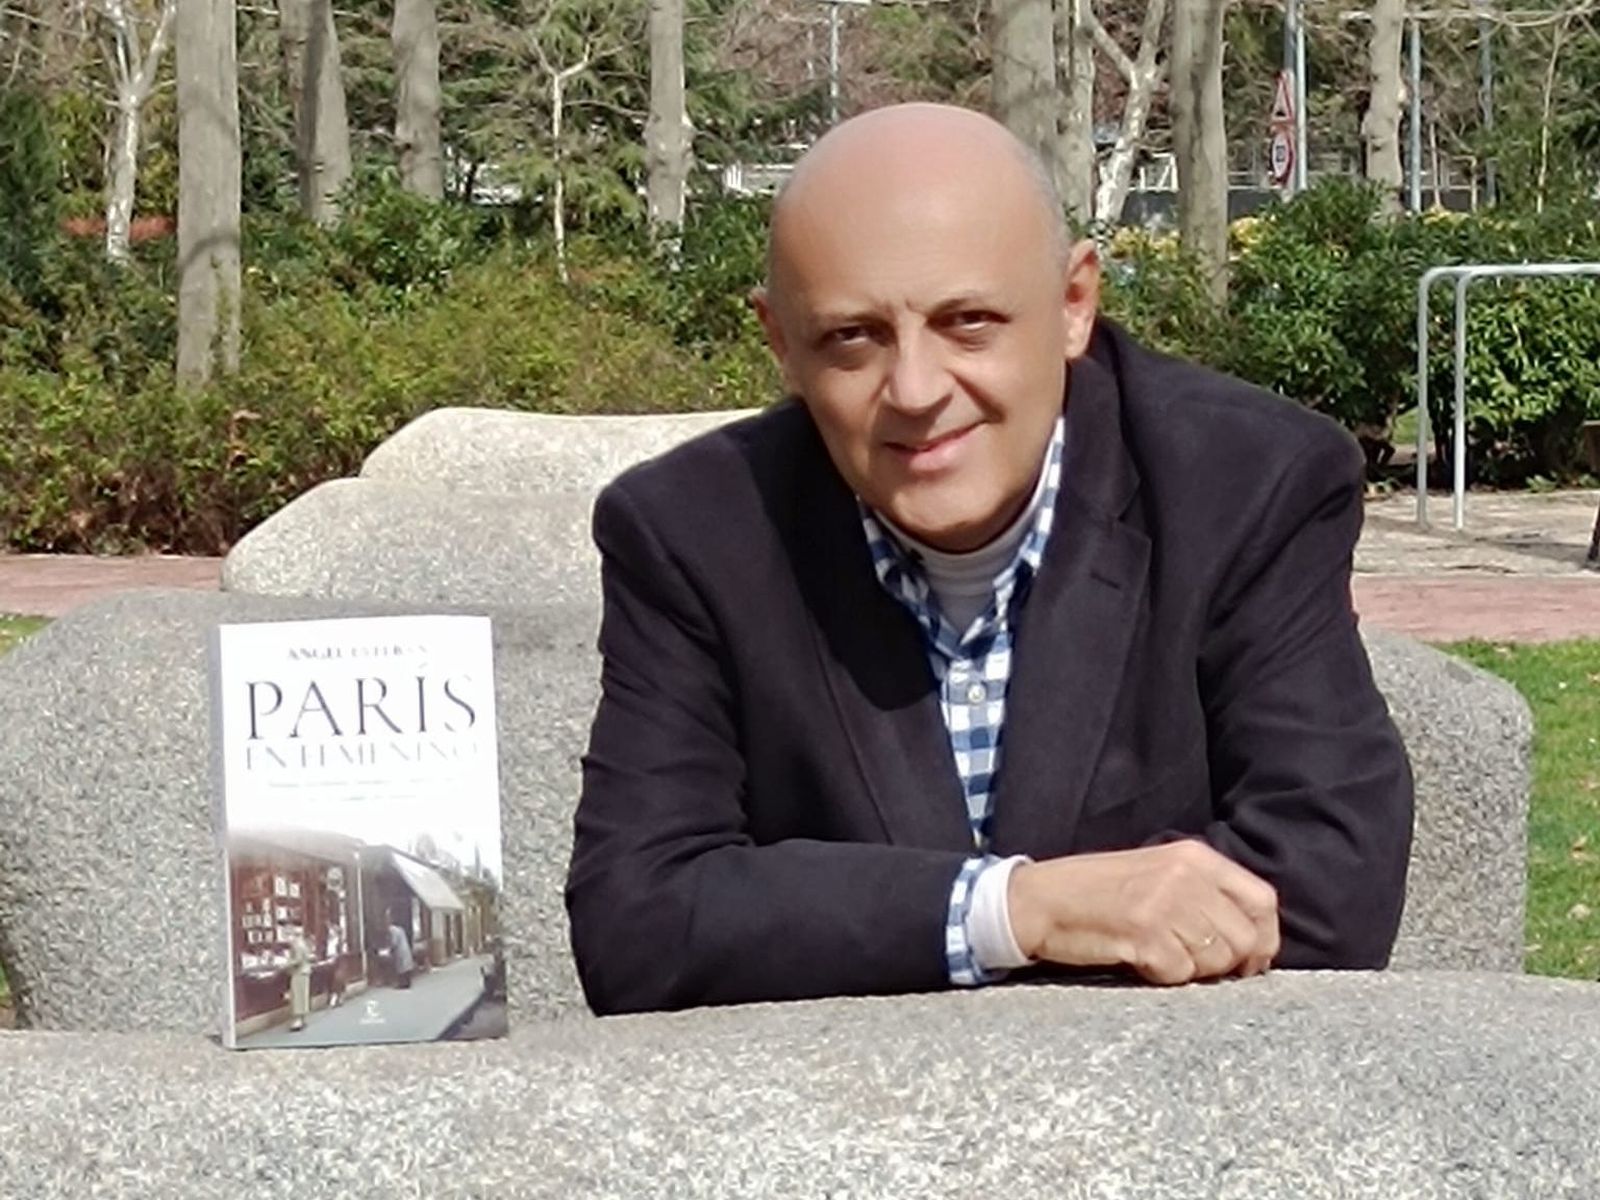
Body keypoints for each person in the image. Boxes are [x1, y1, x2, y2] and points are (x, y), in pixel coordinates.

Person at [565, 104, 1413, 1016]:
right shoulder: (691, 536)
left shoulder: (1246, 487)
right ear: (782, 344)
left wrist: (843, 933)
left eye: (968, 323)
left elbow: (1334, 882)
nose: (917, 392)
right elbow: (637, 925)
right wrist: (1015, 913)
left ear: (1074, 303)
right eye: (852, 338)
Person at [386, 914, 415, 990]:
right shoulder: (400, 929)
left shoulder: (392, 929)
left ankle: (402, 984)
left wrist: (390, 950)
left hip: (400, 950)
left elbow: (394, 942)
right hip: (405, 948)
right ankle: (407, 983)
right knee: (406, 966)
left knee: (401, 967)